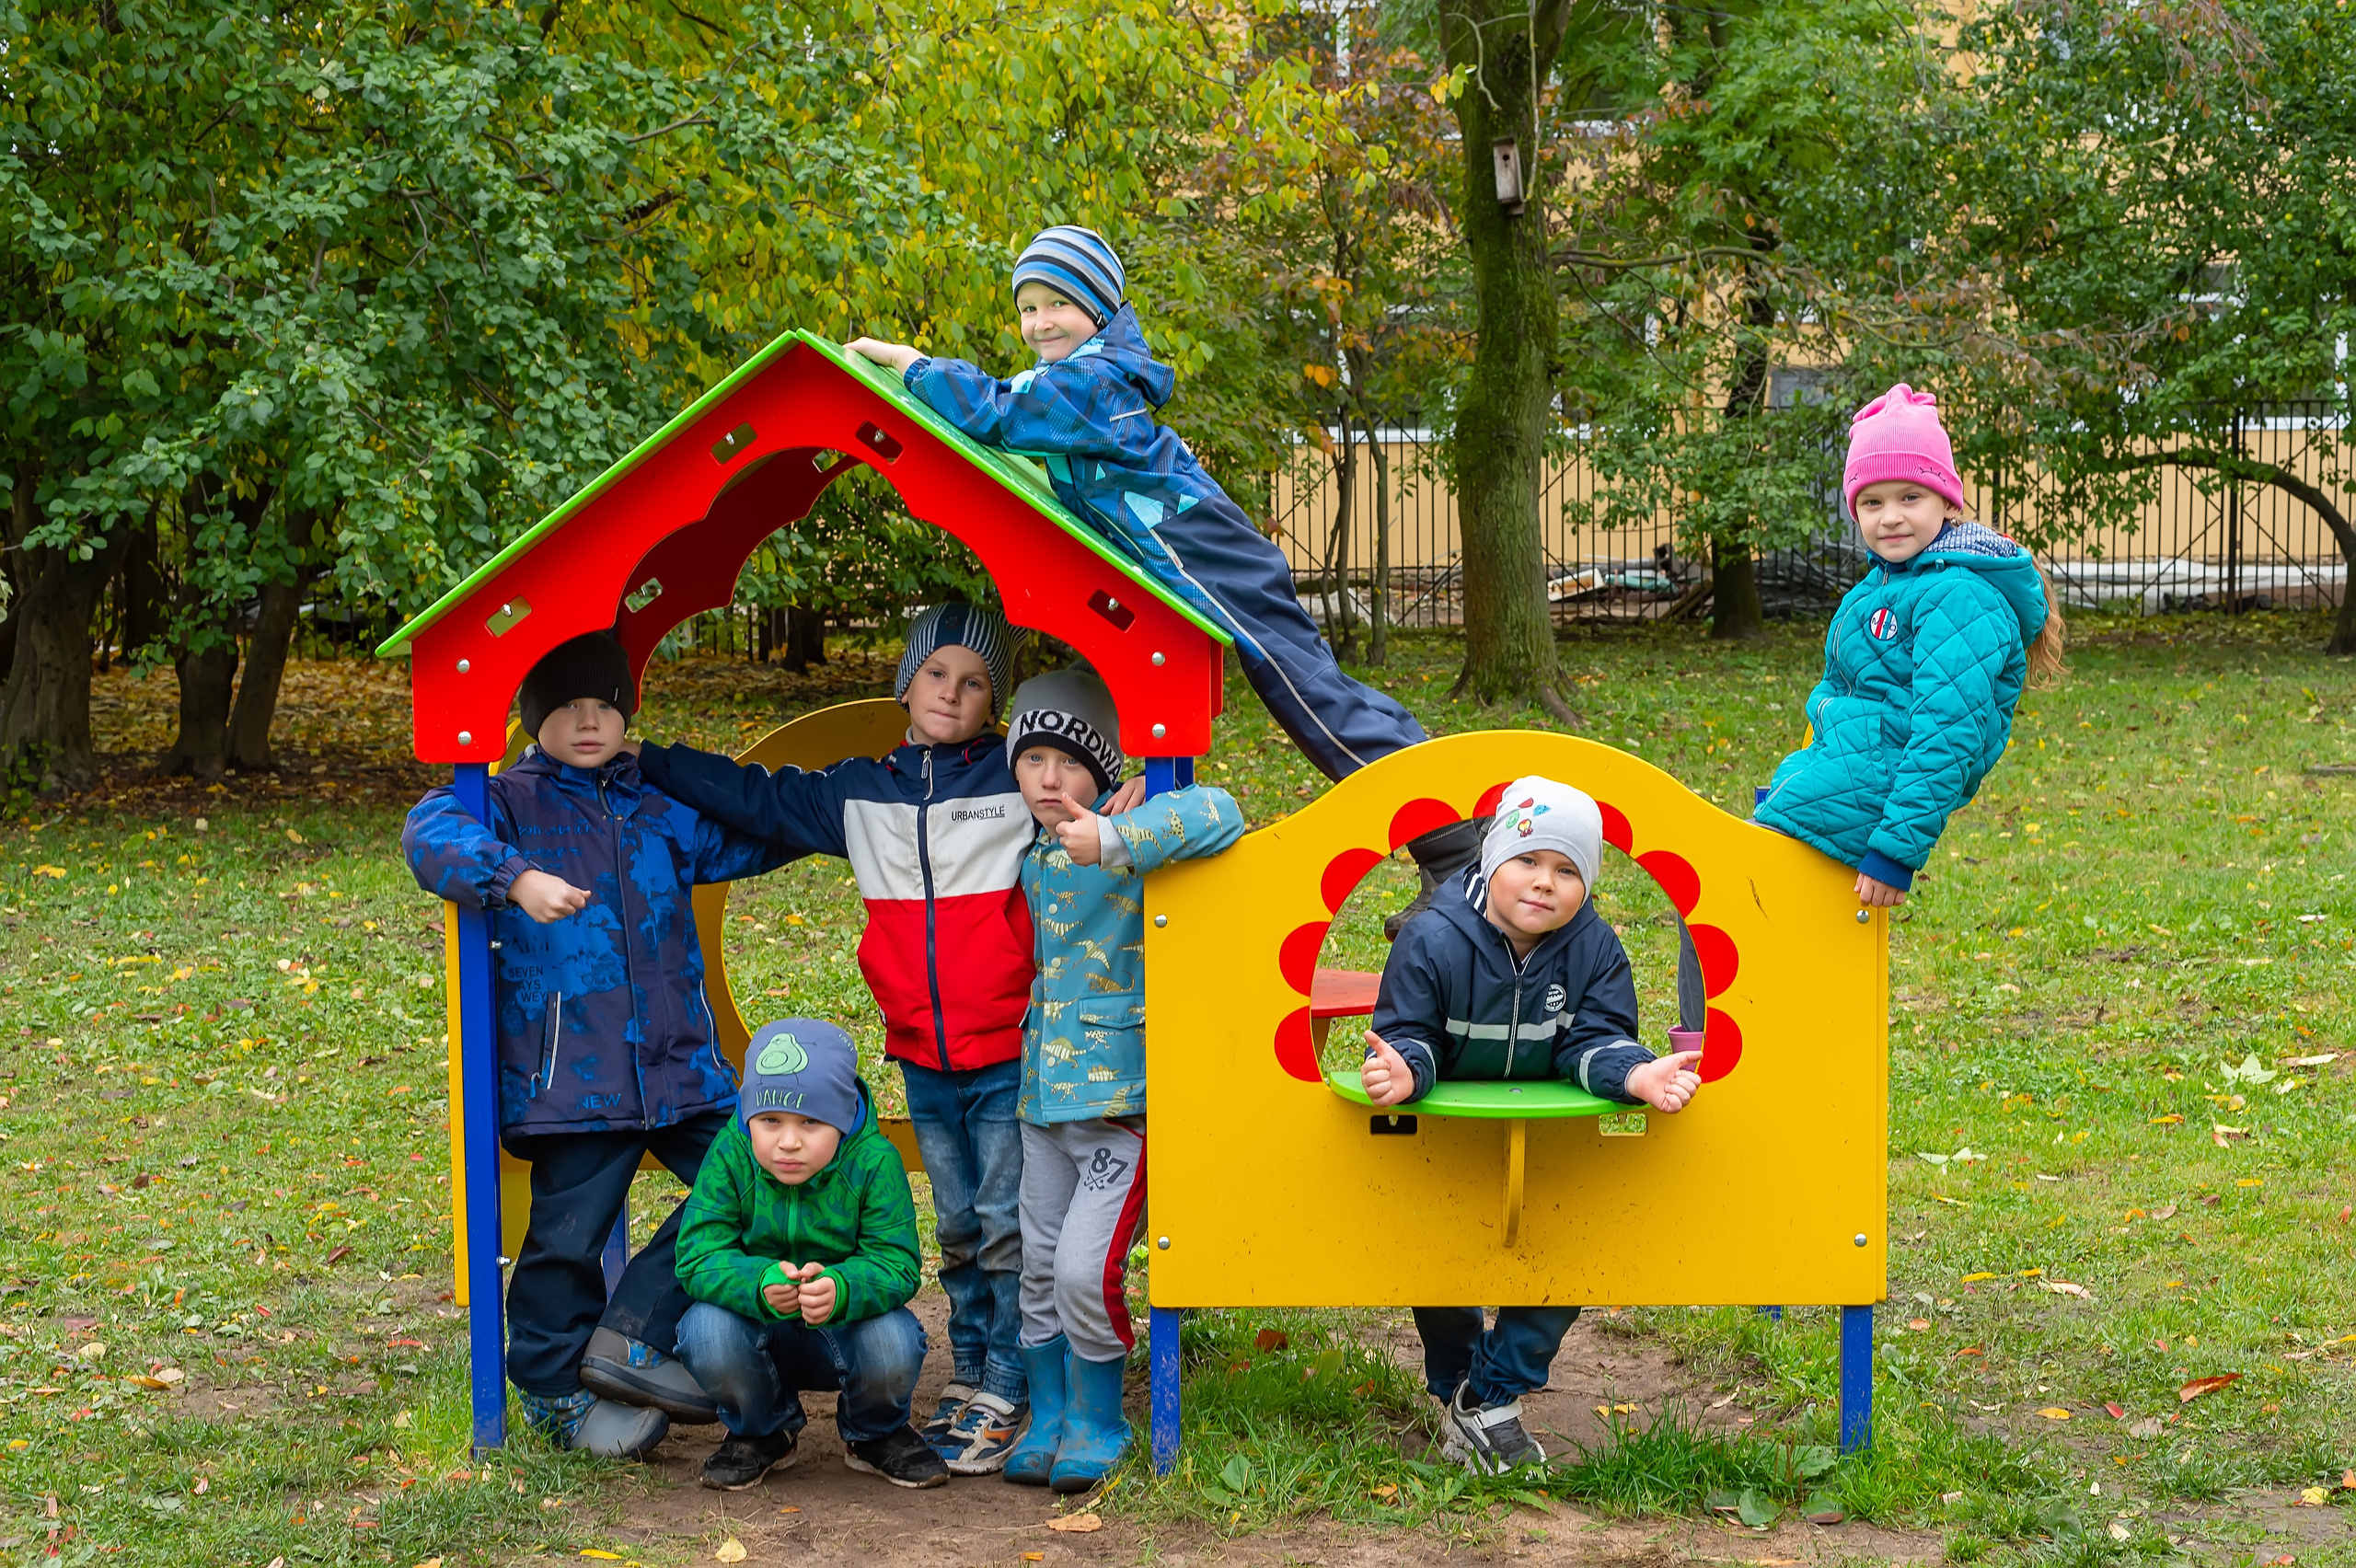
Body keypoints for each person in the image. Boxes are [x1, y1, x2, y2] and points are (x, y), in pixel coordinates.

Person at [842, 225, 1484, 927]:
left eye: (1057, 303)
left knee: (1308, 699)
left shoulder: (1091, 381)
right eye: (1027, 307)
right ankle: (1449, 840)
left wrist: (913, 364)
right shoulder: (1077, 377)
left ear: (1098, 308)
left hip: (1206, 552)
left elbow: (998, 415)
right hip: (1205, 549)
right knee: (1318, 690)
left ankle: (1453, 847)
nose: (1039, 322)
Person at [627, 603, 1140, 1473]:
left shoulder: (1013, 788)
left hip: (1011, 1050)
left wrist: (1139, 796)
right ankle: (970, 1366)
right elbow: (759, 797)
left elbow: (1085, 794)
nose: (953, 692)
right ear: (906, 682)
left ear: (996, 704)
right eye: (937, 673)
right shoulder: (858, 794)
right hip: (922, 1053)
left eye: (975, 682)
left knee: (1009, 1222)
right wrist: (651, 761)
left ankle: (1014, 1381)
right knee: (958, 1226)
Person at [402, 630, 792, 1458]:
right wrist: (516, 878)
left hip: (682, 1070)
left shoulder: (660, 805)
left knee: (760, 1179)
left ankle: (632, 1330)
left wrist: (854, 819)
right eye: (568, 708)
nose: (589, 722)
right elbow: (428, 832)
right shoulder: (507, 803)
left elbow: (758, 834)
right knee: (567, 1243)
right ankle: (551, 1391)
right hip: (573, 1078)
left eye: (606, 707)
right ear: (533, 717)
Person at [1360, 778, 1704, 1473]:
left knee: (1568, 1258)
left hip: (1551, 1142)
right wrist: (1406, 1073)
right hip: (1447, 1140)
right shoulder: (1433, 937)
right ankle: (1462, 1389)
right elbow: (1410, 1031)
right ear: (1492, 860)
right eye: (1529, 860)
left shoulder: (1594, 948)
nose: (1546, 883)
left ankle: (1490, 1394)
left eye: (1569, 870)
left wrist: (1635, 1074)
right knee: (1440, 1262)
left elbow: (1597, 1038)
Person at [993, 670, 1244, 1493]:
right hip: (1041, 1101)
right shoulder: (1025, 849)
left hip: (1118, 1105)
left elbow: (1223, 815)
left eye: (1069, 762)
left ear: (1101, 770)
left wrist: (1123, 835)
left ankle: (1101, 1417)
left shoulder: (1128, 825)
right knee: (1036, 1264)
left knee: (1081, 1267)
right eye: (1032, 760)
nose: (1050, 779)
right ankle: (1052, 1415)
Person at [1754, 384, 2067, 907]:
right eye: (1872, 502)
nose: (1890, 516)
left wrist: (1895, 852)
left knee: (1730, 900)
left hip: (1871, 801)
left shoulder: (1959, 596)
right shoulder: (1887, 583)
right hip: (1840, 780)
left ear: (1947, 500)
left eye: (1910, 497)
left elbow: (1947, 734)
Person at [673, 1020, 944, 1491]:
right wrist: (758, 1283)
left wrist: (842, 1287)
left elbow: (897, 1262)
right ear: (747, 1116)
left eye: (811, 1123)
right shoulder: (730, 1154)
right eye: (770, 1121)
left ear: (843, 1117)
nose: (789, 1141)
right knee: (704, 1330)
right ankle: (763, 1430)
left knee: (895, 1341)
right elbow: (697, 1254)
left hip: (843, 1329)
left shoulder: (874, 1160)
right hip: (756, 1330)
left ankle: (873, 1432)